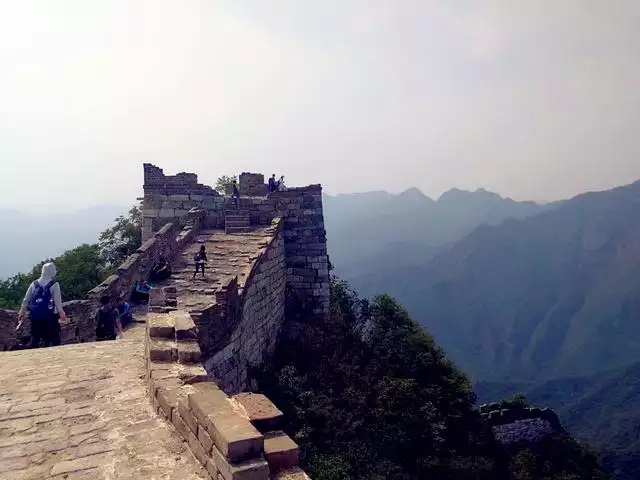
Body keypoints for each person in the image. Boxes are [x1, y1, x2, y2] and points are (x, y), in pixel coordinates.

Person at [17, 262, 68, 348]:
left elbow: (26, 300)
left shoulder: (34, 284)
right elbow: (58, 302)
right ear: (51, 271)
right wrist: (62, 314)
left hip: (35, 316)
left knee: (35, 338)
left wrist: (22, 312)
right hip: (50, 316)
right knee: (54, 339)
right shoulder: (54, 284)